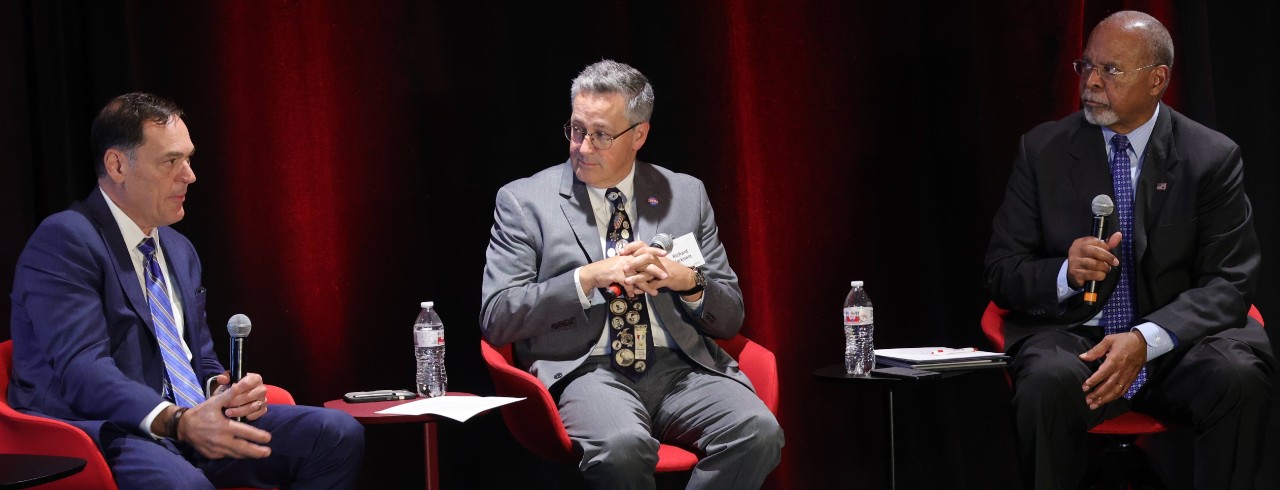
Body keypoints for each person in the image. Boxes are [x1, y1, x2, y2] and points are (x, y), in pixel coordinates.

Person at [7, 93, 364, 489]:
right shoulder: (65, 240)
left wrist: (222, 389)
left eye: (189, 158)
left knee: (335, 435)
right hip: (108, 431)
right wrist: (178, 421)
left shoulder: (178, 248)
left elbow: (199, 359)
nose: (189, 175)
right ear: (117, 165)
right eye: (170, 161)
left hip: (190, 424)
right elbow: (82, 371)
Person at [984, 11, 1274, 489]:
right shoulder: (1043, 151)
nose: (1092, 83)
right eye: (1086, 67)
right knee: (1043, 382)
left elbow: (1231, 281)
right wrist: (1064, 273)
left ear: (1158, 79)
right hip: (1078, 341)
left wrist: (1146, 339)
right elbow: (1001, 271)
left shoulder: (1211, 157)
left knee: (1239, 377)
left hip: (1176, 346)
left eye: (1111, 70)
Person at [480, 60, 783, 488]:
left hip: (680, 368)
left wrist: (686, 282)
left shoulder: (685, 194)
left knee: (758, 432)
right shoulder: (524, 202)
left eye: (601, 135)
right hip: (587, 370)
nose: (583, 147)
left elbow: (730, 317)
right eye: (576, 129)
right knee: (622, 447)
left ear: (639, 135)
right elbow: (497, 316)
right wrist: (587, 279)